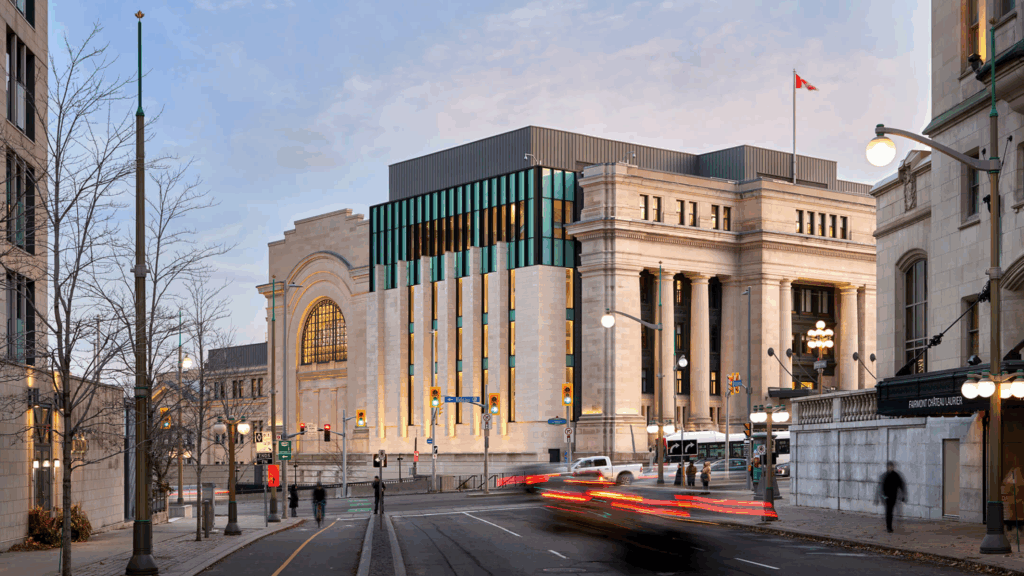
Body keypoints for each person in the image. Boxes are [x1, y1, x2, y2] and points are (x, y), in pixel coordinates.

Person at [877, 461, 906, 533]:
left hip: (893, 496)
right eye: (889, 467)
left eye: (891, 466)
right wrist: (883, 497)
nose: (890, 468)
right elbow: (881, 487)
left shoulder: (895, 475)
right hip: (887, 497)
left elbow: (901, 485)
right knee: (888, 511)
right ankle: (889, 527)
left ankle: (889, 527)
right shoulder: (885, 475)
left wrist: (903, 495)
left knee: (890, 511)